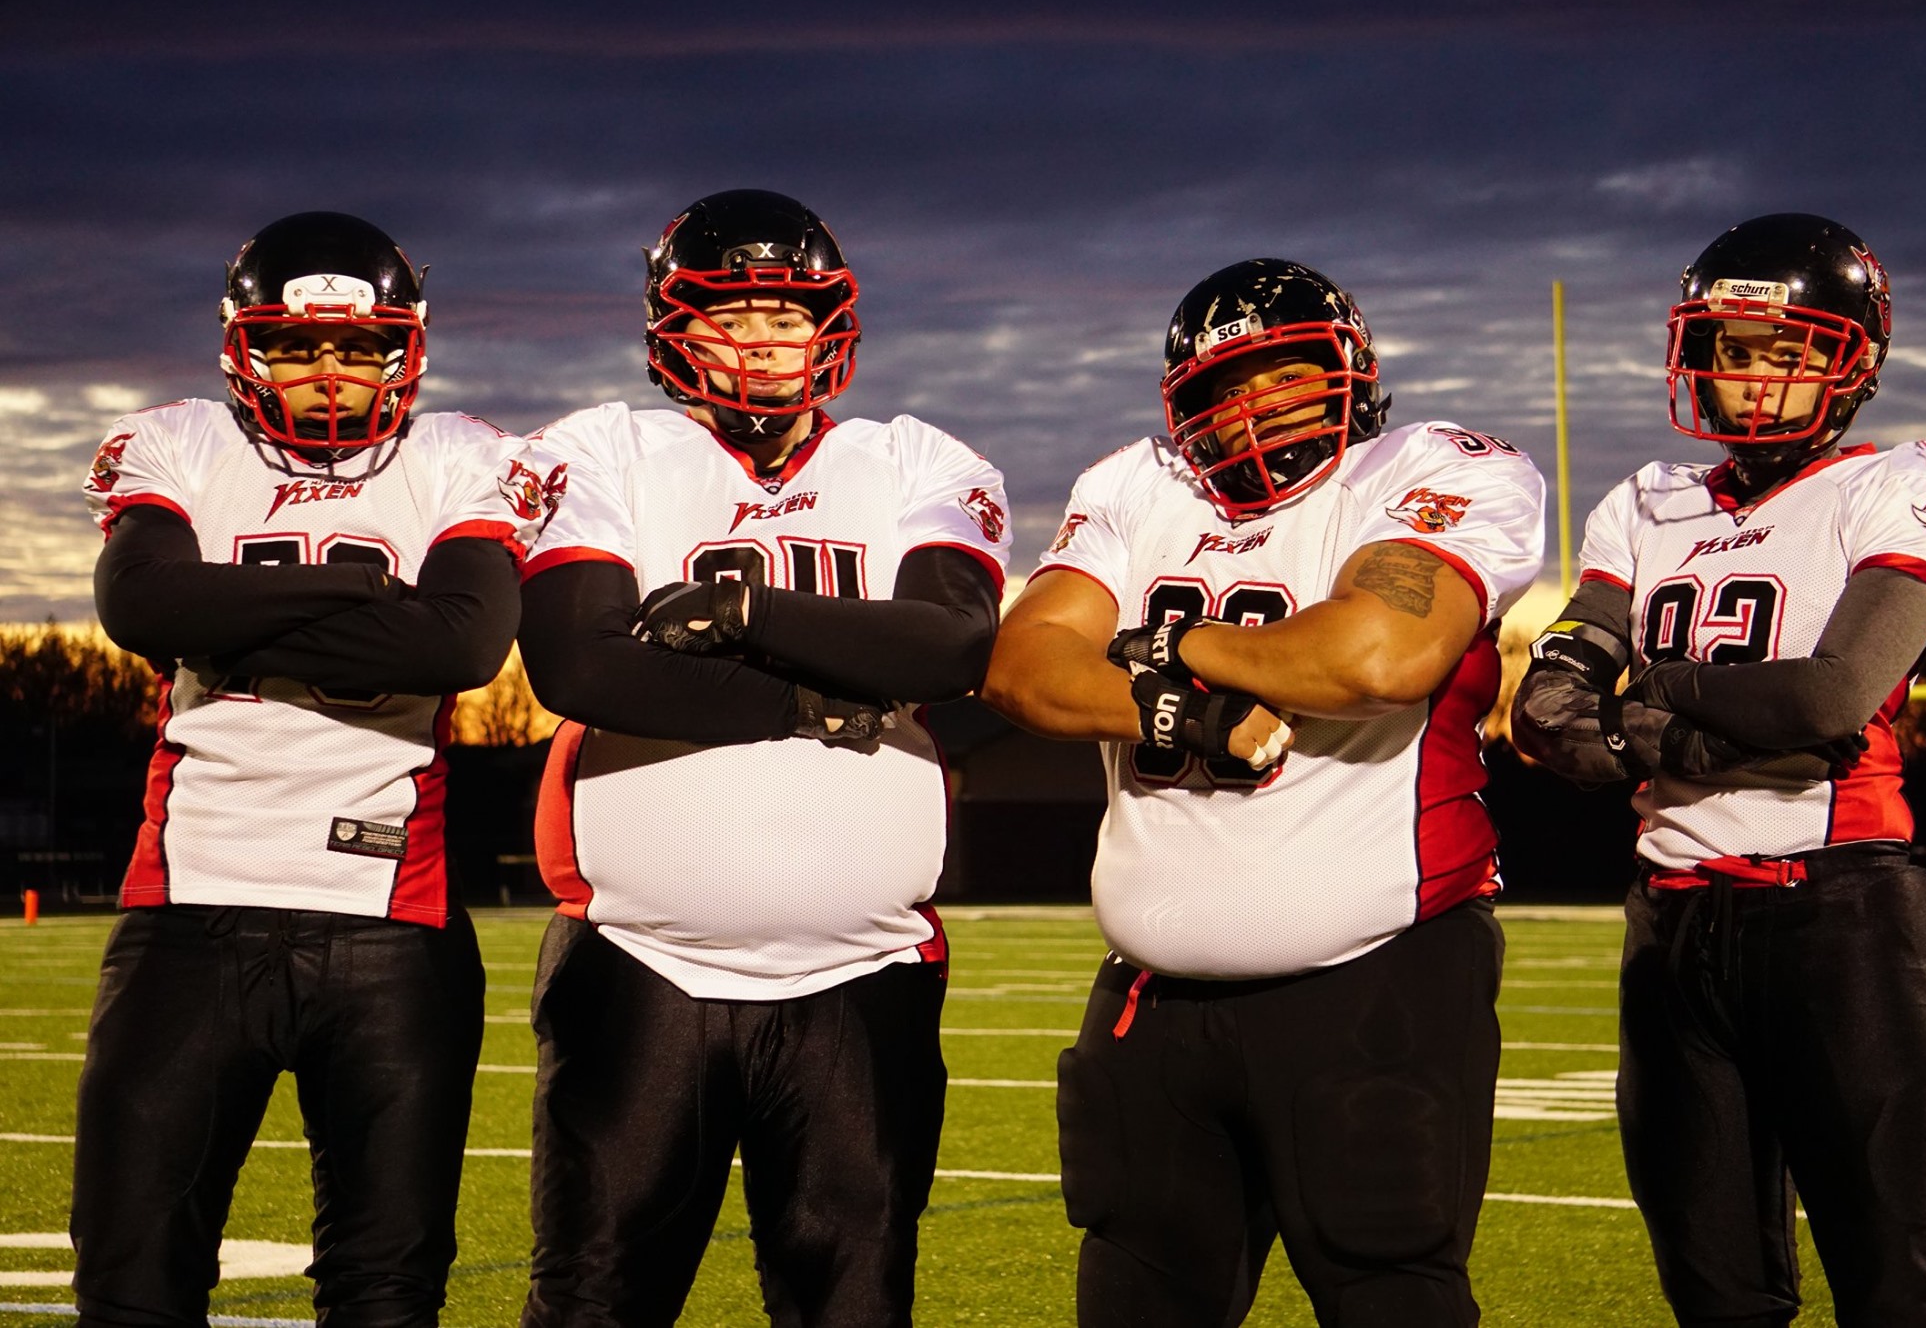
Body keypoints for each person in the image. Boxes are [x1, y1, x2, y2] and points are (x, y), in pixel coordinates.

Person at [981, 258, 1545, 1327]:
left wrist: (1164, 642)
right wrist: (1176, 706)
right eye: (1220, 391)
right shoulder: (1133, 485)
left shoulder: (1436, 471)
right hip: (1155, 1002)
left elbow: (1372, 657)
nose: (1251, 411)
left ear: (1349, 372)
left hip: (1375, 980)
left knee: (1389, 1290)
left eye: (1281, 377)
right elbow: (1021, 665)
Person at [516, 188, 1010, 1328]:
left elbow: (947, 644)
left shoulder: (915, 458)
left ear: (829, 325)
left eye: (785, 317)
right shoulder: (599, 448)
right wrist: (817, 691)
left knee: (851, 1306)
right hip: (641, 963)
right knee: (592, 1304)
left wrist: (740, 614)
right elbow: (581, 667)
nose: (760, 342)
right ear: (669, 329)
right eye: (728, 315)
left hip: (862, 974)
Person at [74, 211, 552, 1327]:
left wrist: (223, 624)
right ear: (246, 345)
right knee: (133, 1278)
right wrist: (365, 592)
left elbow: (461, 645)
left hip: (392, 920)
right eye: (295, 345)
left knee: (385, 1289)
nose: (327, 370)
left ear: (405, 349)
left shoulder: (458, 453)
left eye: (355, 346)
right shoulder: (183, 438)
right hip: (189, 906)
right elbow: (142, 605)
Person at [1510, 213, 1926, 1328]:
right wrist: (1681, 728)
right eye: (1731, 350)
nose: (1755, 382)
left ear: (1850, 358)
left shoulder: (1903, 483)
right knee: (1715, 1295)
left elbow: (1827, 697)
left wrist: (1645, 699)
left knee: (1898, 1298)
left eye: (1788, 352)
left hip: (1840, 919)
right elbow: (1543, 707)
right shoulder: (1645, 502)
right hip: (1669, 928)